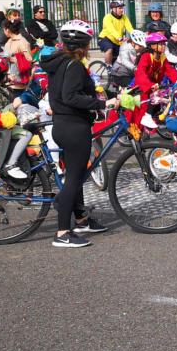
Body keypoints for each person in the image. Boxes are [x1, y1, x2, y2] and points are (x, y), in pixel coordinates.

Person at [41, 20, 119, 247]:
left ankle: (82, 219)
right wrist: (103, 104)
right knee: (73, 180)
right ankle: (62, 233)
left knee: (77, 175)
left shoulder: (59, 61)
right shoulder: (74, 65)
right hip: (74, 127)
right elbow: (71, 97)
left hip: (63, 125)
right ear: (82, 45)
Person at [98, 0, 133, 66]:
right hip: (105, 38)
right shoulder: (107, 17)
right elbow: (111, 29)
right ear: (113, 9)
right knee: (109, 49)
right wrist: (119, 38)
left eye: (122, 8)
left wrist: (135, 35)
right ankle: (108, 66)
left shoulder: (124, 17)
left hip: (117, 41)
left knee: (123, 56)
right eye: (120, 8)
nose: (122, 10)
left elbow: (129, 27)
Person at [1, 19, 33, 91]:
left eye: (4, 30)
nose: (3, 32)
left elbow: (29, 60)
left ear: (7, 30)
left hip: (19, 83)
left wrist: (15, 59)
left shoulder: (22, 41)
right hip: (9, 81)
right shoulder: (8, 41)